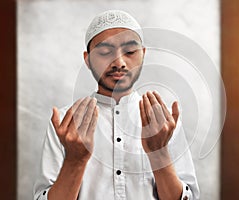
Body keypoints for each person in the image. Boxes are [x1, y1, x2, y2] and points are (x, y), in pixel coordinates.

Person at [33, 10, 200, 200]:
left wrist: (159, 153)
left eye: (130, 52)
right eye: (105, 52)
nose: (119, 62)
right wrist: (75, 160)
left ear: (143, 54)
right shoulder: (66, 124)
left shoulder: (163, 122)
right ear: (87, 60)